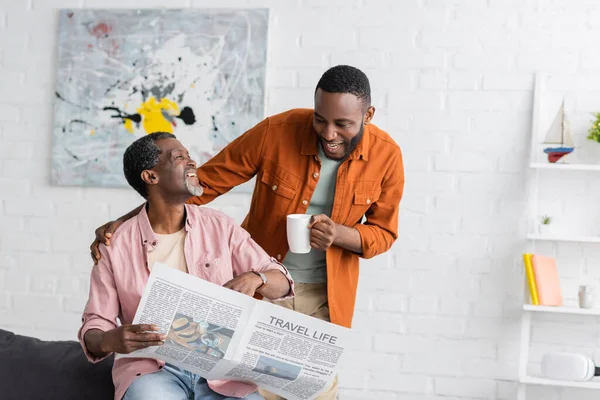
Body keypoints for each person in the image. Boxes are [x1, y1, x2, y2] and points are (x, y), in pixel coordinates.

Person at [90, 65, 405, 399]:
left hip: (325, 296)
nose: (328, 133)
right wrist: (127, 222)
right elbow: (204, 182)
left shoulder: (387, 156)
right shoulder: (276, 131)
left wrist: (338, 235)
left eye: (343, 124)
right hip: (259, 290)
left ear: (367, 115)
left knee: (317, 390)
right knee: (253, 390)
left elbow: (383, 233)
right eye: (319, 119)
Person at [79, 132, 294, 400]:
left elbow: (282, 281)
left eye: (188, 155)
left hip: (221, 373)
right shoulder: (114, 246)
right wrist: (111, 340)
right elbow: (96, 324)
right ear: (151, 177)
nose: (191, 162)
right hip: (152, 371)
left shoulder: (220, 226)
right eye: (179, 157)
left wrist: (256, 277)